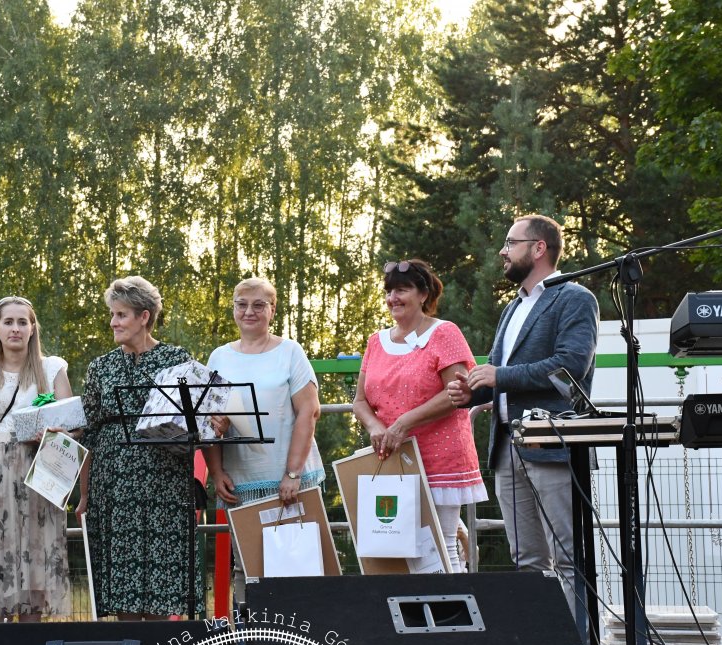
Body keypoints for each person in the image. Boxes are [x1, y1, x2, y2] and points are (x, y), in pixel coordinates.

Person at [446, 214, 599, 622]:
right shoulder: (513, 308)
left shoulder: (575, 298)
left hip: (553, 446)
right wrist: (471, 393)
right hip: (508, 449)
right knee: (526, 561)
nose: (502, 251)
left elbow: (569, 367)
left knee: (569, 557)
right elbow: (499, 375)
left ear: (538, 248)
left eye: (511, 243)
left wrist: (499, 376)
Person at [79, 276, 205, 619]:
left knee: (162, 581)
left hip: (164, 483)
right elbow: (89, 432)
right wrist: (85, 494)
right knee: (123, 583)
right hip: (112, 485)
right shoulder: (100, 366)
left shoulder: (177, 359)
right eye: (112, 314)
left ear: (144, 316)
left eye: (121, 315)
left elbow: (195, 422)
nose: (113, 322)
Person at [352, 259, 487, 573]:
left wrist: (404, 422)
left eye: (402, 290)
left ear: (424, 294)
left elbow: (456, 393)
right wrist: (375, 426)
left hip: (439, 458)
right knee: (396, 547)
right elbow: (359, 401)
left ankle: (453, 605)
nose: (393, 298)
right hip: (393, 459)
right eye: (389, 291)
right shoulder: (376, 341)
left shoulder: (444, 332)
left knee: (440, 545)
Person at [0, 296, 72, 622]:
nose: (15, 328)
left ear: (32, 328)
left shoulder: (52, 368)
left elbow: (72, 423)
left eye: (23, 322)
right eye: (8, 322)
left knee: (35, 556)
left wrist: (52, 435)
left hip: (41, 468)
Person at [205, 278, 323, 508]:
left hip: (289, 483)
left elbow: (309, 411)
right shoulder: (218, 357)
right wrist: (217, 473)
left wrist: (292, 473)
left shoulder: (290, 351)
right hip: (237, 484)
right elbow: (208, 423)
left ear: (272, 310)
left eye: (258, 305)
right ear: (234, 308)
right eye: (242, 304)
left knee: (295, 534)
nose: (249, 311)